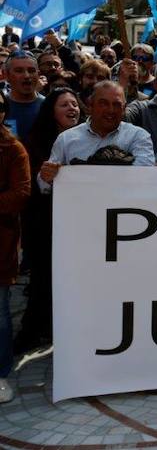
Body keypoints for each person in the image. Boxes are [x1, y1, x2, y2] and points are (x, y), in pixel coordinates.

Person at [16, 88, 82, 353]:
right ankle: (34, 330)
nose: (72, 109)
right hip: (46, 223)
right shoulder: (34, 142)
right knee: (45, 278)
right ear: (50, 111)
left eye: (75, 104)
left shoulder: (83, 139)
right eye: (64, 105)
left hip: (81, 224)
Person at [0, 88, 30, 402]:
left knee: (1, 313)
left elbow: (21, 193)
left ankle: (1, 374)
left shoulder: (12, 149)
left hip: (2, 242)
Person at [5, 52, 44, 142]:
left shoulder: (49, 106)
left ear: (38, 74)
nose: (27, 76)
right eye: (19, 71)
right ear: (7, 75)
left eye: (31, 71)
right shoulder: (2, 106)